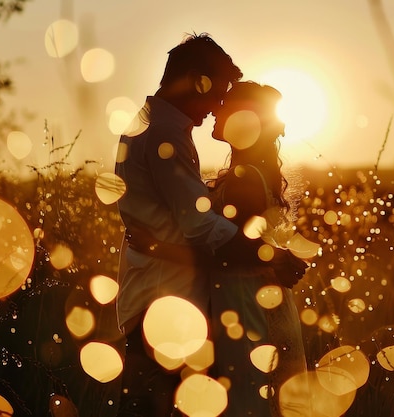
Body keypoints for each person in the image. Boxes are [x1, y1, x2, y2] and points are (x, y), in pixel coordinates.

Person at [114, 34, 306, 417]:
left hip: (177, 301)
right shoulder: (166, 134)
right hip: (166, 302)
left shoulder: (151, 126)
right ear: (194, 79)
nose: (217, 105)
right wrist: (271, 255)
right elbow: (201, 227)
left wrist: (154, 245)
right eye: (216, 92)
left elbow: (191, 221)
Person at [207, 81, 309, 416]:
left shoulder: (243, 178)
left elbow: (234, 246)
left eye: (224, 106)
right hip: (263, 300)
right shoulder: (255, 172)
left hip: (245, 303)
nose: (215, 111)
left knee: (248, 401)